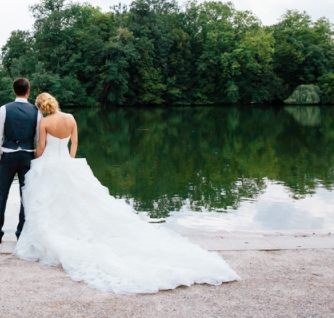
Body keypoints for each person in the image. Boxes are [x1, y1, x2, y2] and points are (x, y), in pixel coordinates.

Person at [13, 92, 240, 294]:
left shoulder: (45, 122)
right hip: (69, 164)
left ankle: (59, 231)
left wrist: (39, 159)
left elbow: (41, 147)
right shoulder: (70, 118)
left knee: (51, 202)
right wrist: (70, 161)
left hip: (50, 165)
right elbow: (75, 142)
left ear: (41, 107)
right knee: (78, 202)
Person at [0, 78, 43, 244]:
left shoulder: (4, 109)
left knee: (1, 195)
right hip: (28, 157)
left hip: (8, 156)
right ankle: (20, 233)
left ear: (14, 91)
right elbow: (40, 139)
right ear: (28, 92)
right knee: (25, 196)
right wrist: (37, 159)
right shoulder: (36, 111)